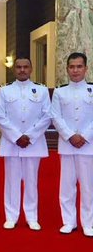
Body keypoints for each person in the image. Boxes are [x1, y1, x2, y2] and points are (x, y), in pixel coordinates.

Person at [0, 57, 51, 231]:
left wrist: (30, 136)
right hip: (12, 143)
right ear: (14, 70)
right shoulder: (5, 91)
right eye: (18, 67)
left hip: (33, 143)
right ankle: (11, 217)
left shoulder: (41, 90)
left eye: (25, 67)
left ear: (31, 69)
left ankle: (32, 217)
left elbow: (47, 116)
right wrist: (16, 136)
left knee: (31, 181)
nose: (22, 70)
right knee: (11, 181)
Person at [51, 52, 93, 237]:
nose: (75, 70)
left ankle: (88, 223)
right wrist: (70, 136)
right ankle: (69, 221)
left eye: (79, 66)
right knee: (67, 186)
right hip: (67, 145)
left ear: (86, 68)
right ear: (67, 69)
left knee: (88, 187)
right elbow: (55, 117)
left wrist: (84, 136)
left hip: (88, 145)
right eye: (72, 67)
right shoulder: (60, 92)